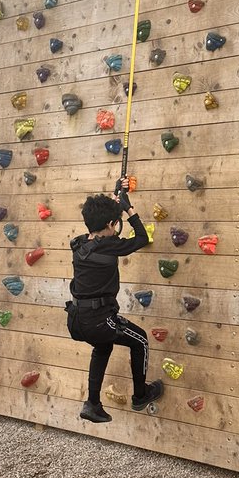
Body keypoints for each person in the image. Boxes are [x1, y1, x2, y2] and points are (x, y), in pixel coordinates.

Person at [65, 180, 164, 424]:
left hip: (77, 320)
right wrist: (129, 210)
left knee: (103, 346)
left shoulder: (79, 244)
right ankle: (141, 395)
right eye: (114, 223)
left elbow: (107, 234)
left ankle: (92, 404)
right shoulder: (109, 246)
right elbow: (140, 238)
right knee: (140, 340)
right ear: (111, 224)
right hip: (99, 321)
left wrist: (114, 200)